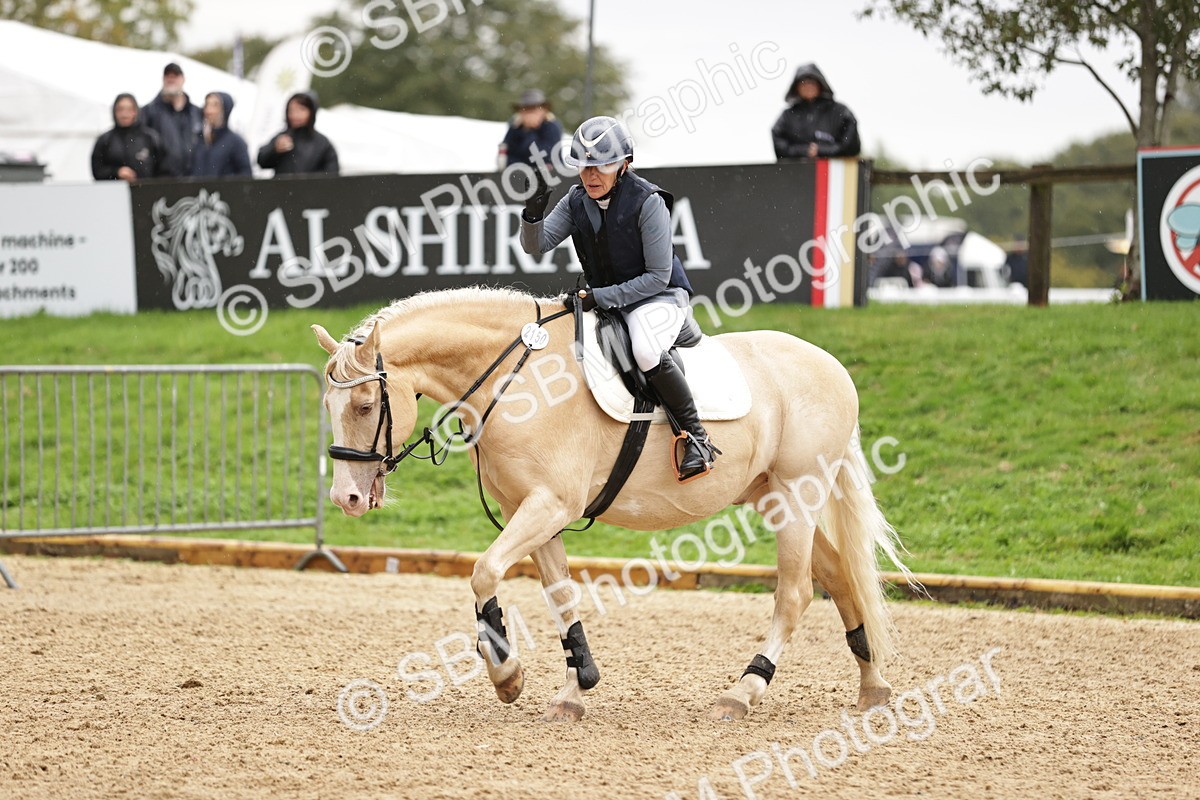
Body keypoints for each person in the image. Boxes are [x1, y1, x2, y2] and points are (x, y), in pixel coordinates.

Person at [519, 116, 719, 482]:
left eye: (602, 166)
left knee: (645, 349)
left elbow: (657, 276)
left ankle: (697, 438)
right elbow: (538, 246)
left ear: (624, 164)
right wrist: (532, 215)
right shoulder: (576, 199)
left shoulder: (648, 202)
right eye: (584, 166)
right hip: (606, 298)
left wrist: (602, 296)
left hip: (659, 297)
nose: (591, 175)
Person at [771, 63, 860, 159]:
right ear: (796, 87)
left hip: (835, 171)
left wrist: (822, 150)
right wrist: (804, 150)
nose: (808, 86)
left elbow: (852, 146)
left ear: (820, 84)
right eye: (803, 83)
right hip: (798, 171)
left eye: (812, 82)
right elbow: (780, 146)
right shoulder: (787, 116)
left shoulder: (839, 112)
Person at [140, 62, 203, 177]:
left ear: (183, 79)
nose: (171, 79)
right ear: (163, 79)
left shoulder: (197, 113)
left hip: (194, 180)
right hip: (161, 181)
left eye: (175, 76)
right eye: (168, 76)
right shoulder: (148, 112)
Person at [256, 91, 340, 176]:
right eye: (291, 110)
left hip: (309, 188)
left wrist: (304, 180)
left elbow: (331, 173)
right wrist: (275, 151)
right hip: (280, 188)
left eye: (301, 110)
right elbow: (261, 160)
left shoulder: (323, 143)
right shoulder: (283, 136)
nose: (295, 115)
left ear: (312, 112)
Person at [91, 94, 166, 181]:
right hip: (115, 191)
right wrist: (116, 172)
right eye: (120, 109)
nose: (124, 114)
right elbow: (97, 171)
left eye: (129, 109)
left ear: (135, 111)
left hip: (145, 191)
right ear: (114, 112)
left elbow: (163, 169)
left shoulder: (150, 138)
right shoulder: (105, 140)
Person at [191, 92, 252, 178]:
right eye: (207, 104)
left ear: (225, 109)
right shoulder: (197, 137)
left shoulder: (235, 142)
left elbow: (245, 176)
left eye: (215, 105)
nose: (209, 111)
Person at [502, 89, 563, 170]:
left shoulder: (551, 127)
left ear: (544, 110)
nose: (530, 113)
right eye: (526, 109)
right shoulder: (515, 128)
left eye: (534, 109)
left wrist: (529, 132)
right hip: (520, 177)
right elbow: (506, 157)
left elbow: (544, 156)